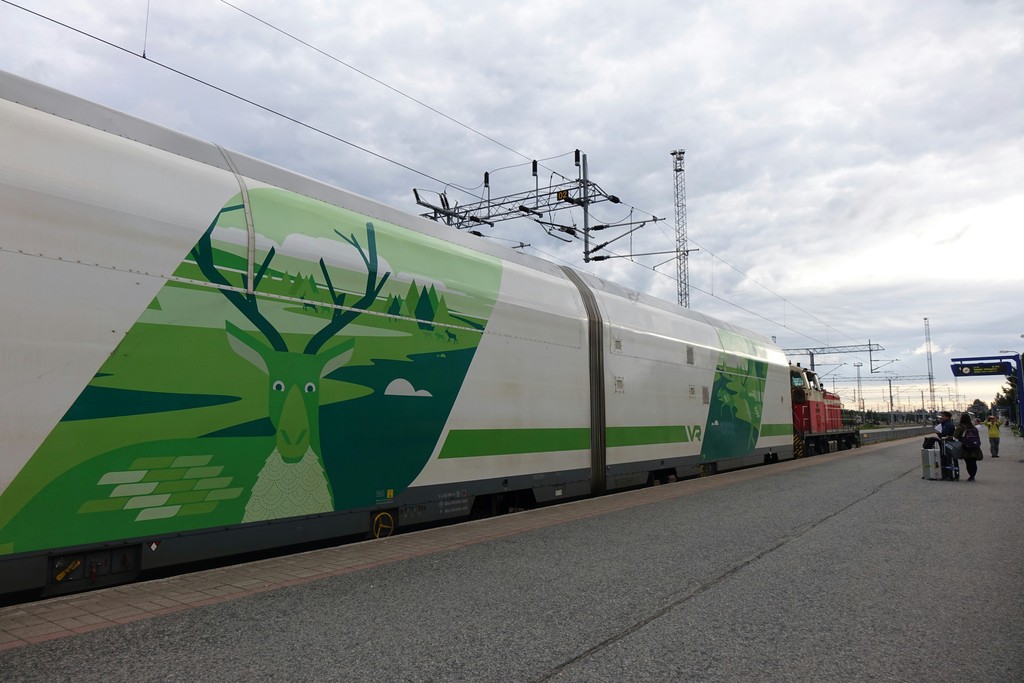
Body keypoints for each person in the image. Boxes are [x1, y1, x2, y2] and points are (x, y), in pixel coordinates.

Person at [955, 412, 983, 481]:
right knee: (973, 462)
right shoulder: (973, 427)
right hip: (974, 446)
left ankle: (971, 476)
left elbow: (955, 436)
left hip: (965, 447)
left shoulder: (960, 427)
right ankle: (973, 475)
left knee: (968, 462)